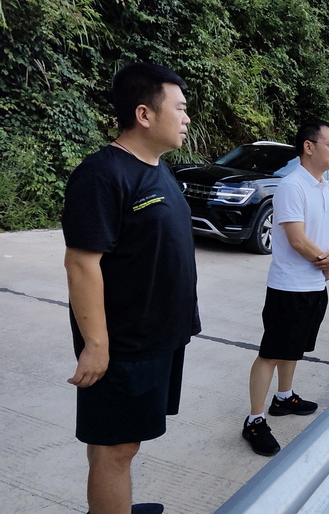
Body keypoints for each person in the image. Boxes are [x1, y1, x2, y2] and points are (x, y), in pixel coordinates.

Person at [62, 62, 199, 514]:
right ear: (144, 114)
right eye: (179, 108)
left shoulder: (158, 169)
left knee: (115, 441)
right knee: (118, 448)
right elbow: (82, 263)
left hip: (158, 337)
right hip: (125, 343)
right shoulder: (102, 175)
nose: (186, 118)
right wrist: (96, 344)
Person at [242, 120, 329, 456]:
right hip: (288, 287)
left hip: (314, 285)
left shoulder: (324, 187)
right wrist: (326, 261)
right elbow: (296, 239)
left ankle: (283, 397)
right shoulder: (291, 186)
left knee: (293, 348)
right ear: (309, 147)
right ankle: (254, 420)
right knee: (271, 353)